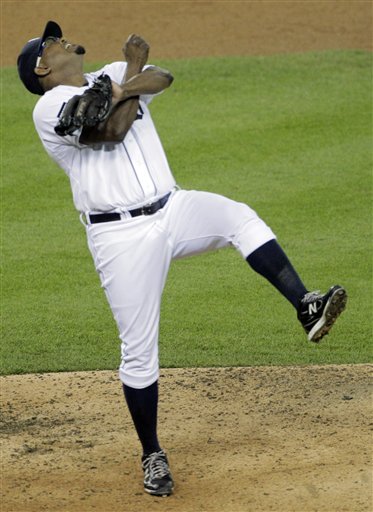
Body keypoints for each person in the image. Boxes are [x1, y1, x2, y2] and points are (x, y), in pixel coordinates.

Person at [17, 21, 347, 497]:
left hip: (173, 207)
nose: (64, 39)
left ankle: (306, 305)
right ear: (43, 66)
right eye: (52, 41)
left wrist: (122, 82)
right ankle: (151, 452)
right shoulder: (48, 108)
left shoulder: (108, 73)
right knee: (138, 349)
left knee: (239, 218)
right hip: (120, 236)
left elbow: (162, 77)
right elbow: (110, 129)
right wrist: (130, 72)